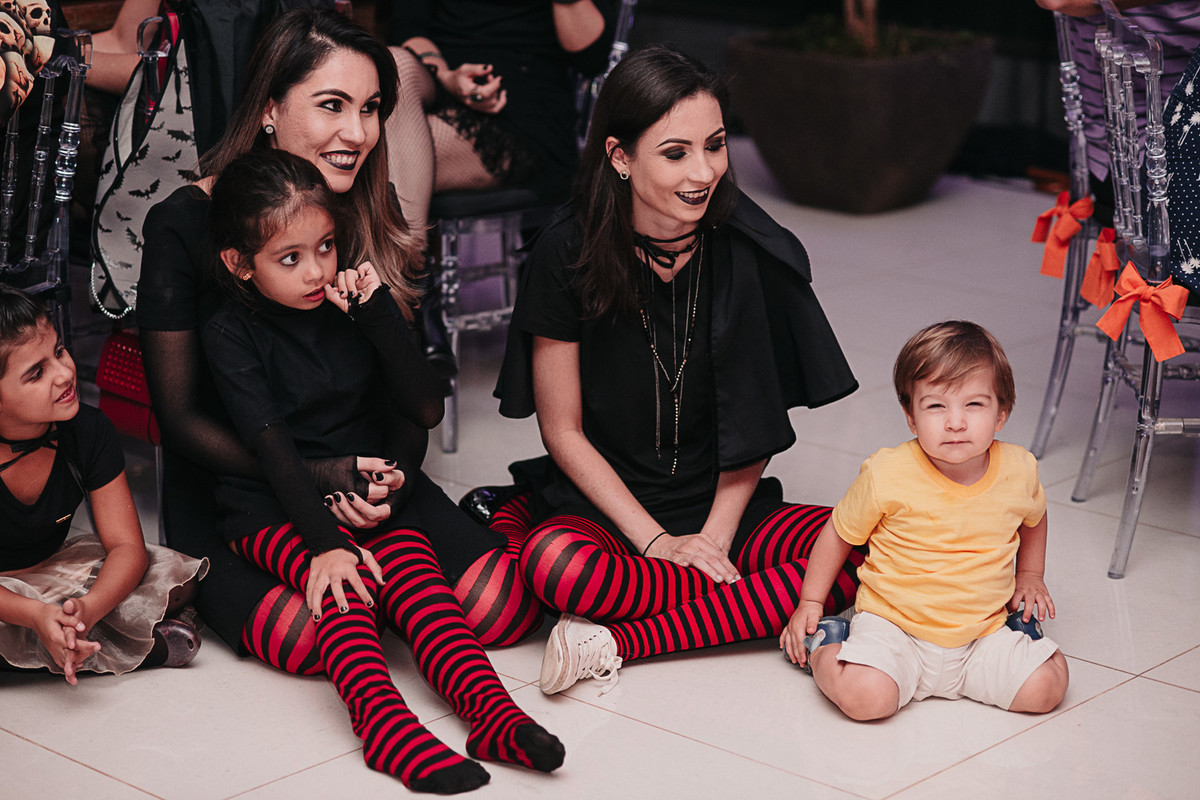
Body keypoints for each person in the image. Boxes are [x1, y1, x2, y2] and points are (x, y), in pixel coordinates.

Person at [137, 8, 542, 683]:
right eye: (333, 105)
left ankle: (469, 534)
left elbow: (406, 390)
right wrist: (319, 476)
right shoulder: (184, 223)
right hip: (241, 493)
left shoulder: (366, 207)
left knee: (503, 611)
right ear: (270, 109)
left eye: (371, 108)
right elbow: (179, 418)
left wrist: (394, 480)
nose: (357, 132)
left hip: (366, 473)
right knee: (310, 640)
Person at [493, 45, 865, 694]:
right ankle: (730, 605)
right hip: (609, 509)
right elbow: (562, 431)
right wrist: (658, 543)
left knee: (870, 548)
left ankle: (614, 639)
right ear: (619, 157)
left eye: (715, 145)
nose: (703, 172)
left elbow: (754, 420)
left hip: (722, 504)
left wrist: (713, 538)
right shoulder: (566, 252)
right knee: (558, 564)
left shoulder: (745, 248)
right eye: (675, 153)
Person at [202, 150, 562, 793]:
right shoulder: (230, 332)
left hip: (365, 495)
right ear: (240, 264)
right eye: (290, 258)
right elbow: (271, 449)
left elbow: (422, 409)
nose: (317, 270)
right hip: (272, 503)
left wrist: (379, 318)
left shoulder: (350, 306)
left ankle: (493, 716)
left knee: (417, 578)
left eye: (325, 247)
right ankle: (386, 731)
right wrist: (325, 547)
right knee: (345, 584)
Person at [780, 321, 1070, 720]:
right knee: (867, 700)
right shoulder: (887, 473)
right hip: (895, 629)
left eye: (974, 404)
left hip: (982, 633)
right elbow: (838, 533)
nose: (955, 422)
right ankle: (828, 647)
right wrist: (810, 601)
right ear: (911, 417)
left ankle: (1018, 639)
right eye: (936, 406)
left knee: (1047, 687)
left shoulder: (1019, 469)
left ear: (1001, 412)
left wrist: (1031, 575)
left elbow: (1034, 517)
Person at [0, 284, 206, 684]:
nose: (65, 373)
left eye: (59, 351)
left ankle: (65, 642)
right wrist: (35, 614)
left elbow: (126, 546)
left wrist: (88, 610)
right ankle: (125, 648)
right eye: (37, 373)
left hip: (54, 573)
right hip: (7, 600)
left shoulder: (87, 430)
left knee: (177, 579)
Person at [384, 0, 618, 249]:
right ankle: (406, 266)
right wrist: (446, 76)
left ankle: (406, 264)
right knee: (395, 63)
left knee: (379, 152)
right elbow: (408, 26)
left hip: (521, 108)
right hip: (442, 78)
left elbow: (591, 59)